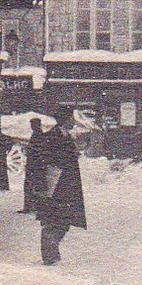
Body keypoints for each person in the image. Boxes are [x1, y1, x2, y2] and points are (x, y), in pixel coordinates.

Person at [36, 107, 86, 266]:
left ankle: (52, 250)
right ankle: (49, 254)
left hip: (65, 183)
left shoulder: (63, 134)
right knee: (53, 218)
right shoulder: (52, 136)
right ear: (65, 119)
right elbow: (47, 159)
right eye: (71, 118)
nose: (73, 121)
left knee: (63, 219)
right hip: (55, 182)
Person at [20, 117, 47, 213]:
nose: (31, 126)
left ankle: (30, 207)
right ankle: (34, 206)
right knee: (35, 185)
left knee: (30, 185)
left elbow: (36, 150)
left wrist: (28, 149)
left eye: (32, 124)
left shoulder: (37, 135)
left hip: (34, 164)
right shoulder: (39, 134)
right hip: (37, 165)